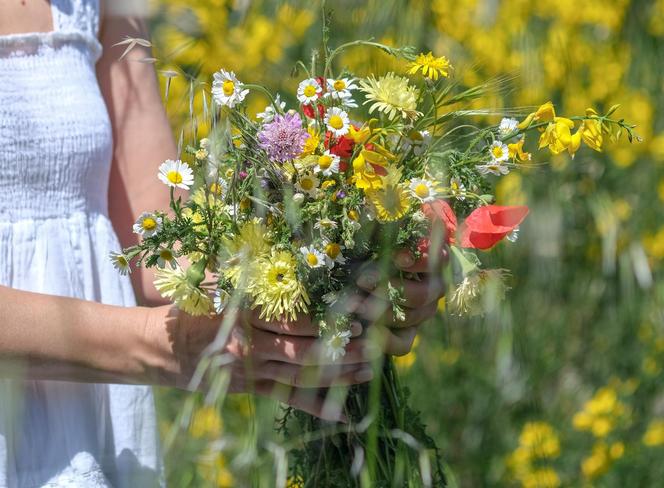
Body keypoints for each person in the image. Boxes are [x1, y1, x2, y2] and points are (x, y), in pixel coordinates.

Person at [0, 1, 445, 486]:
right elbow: (169, 333)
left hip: (82, 427)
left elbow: (161, 246)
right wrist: (170, 347)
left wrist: (327, 276)